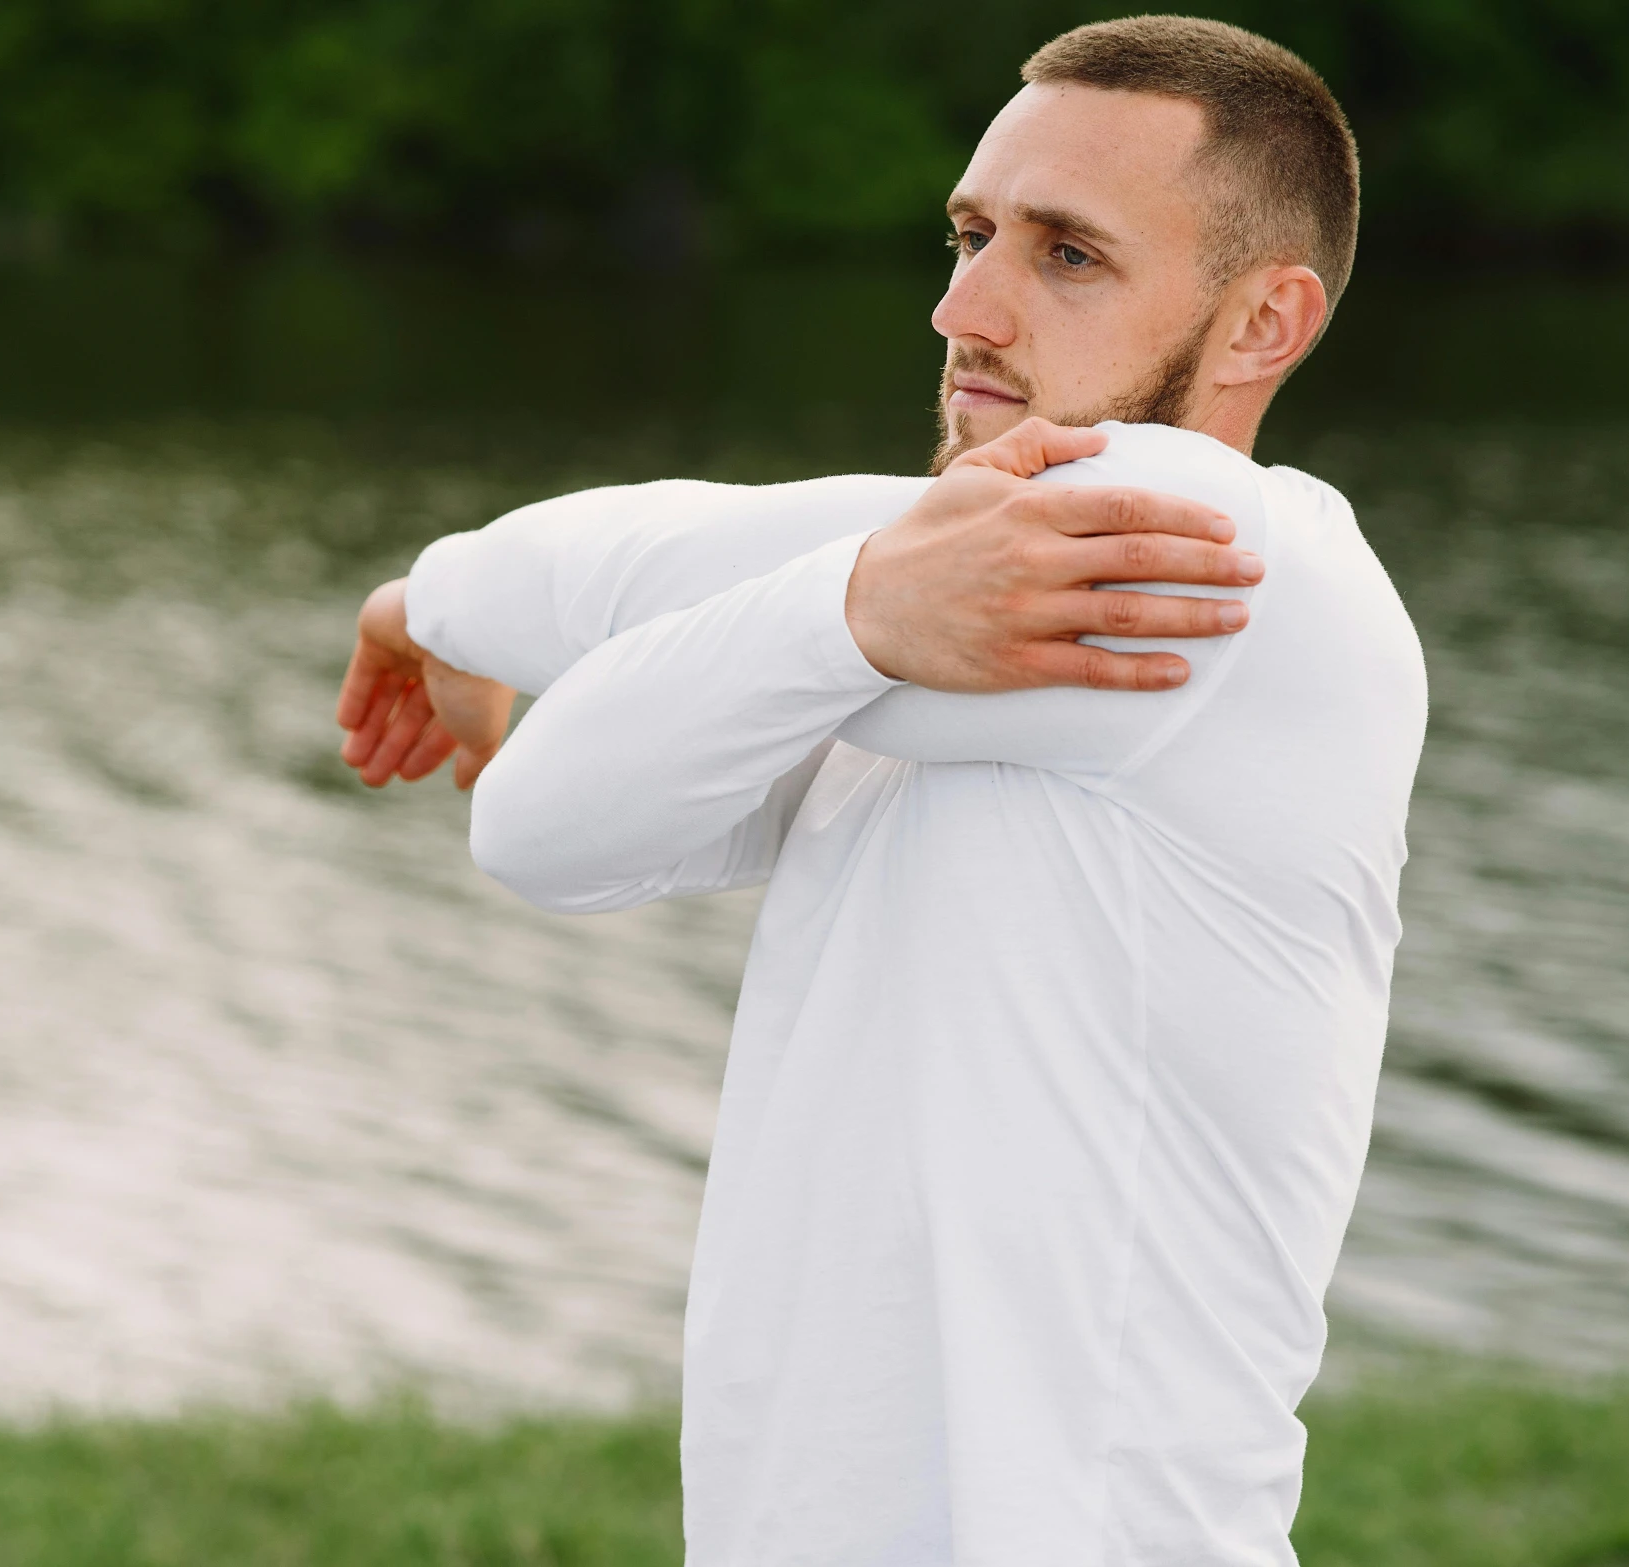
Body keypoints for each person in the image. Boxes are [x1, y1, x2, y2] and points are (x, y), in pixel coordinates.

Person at [335, 17, 1425, 1567]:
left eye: (1066, 256)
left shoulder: (1230, 568)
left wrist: (448, 599)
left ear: (1261, 323)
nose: (962, 306)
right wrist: (841, 612)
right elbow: (546, 825)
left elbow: (693, 577)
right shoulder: (915, 629)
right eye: (971, 232)